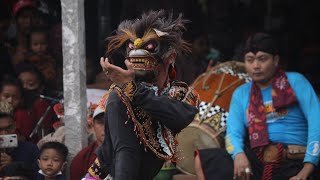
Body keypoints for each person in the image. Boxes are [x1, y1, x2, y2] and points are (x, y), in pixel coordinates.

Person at [87, 10, 199, 180]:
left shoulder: (181, 94)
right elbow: (119, 151)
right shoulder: (120, 94)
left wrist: (134, 90)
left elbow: (180, 117)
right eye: (133, 48)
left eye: (150, 48)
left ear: (170, 57)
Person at [195, 33, 320, 180]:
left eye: (262, 59)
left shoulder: (296, 81)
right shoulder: (241, 93)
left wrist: (307, 168)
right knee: (205, 160)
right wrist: (239, 155)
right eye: (250, 60)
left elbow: (316, 123)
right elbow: (233, 133)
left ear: (275, 60)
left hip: (295, 161)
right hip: (258, 162)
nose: (256, 66)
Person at [0, 101, 40, 173]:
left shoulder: (30, 149)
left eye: (9, 128)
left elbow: (40, 175)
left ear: (15, 126)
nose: (4, 133)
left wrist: (15, 166)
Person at [70, 103, 106, 180]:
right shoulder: (82, 158)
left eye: (111, 122)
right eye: (101, 122)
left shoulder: (130, 153)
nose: (106, 127)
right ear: (92, 126)